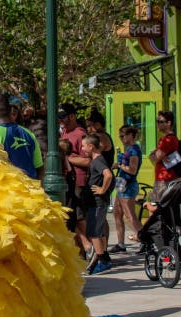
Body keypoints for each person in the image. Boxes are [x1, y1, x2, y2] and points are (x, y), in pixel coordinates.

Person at [0, 94, 44, 180]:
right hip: (31, 191)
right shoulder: (29, 134)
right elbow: (39, 167)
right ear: (9, 109)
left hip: (5, 192)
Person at [60, 103, 92, 258]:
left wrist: (67, 158)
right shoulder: (64, 132)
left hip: (79, 182)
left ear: (72, 116)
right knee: (70, 218)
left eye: (63, 117)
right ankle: (82, 251)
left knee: (79, 218)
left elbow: (88, 161)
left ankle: (92, 250)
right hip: (67, 181)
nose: (61, 120)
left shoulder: (80, 134)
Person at [81, 133, 114, 275]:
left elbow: (108, 175)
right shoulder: (95, 160)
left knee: (94, 232)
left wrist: (102, 189)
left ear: (91, 146)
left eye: (83, 146)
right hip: (94, 202)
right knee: (95, 232)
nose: (82, 149)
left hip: (98, 202)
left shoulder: (98, 160)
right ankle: (103, 258)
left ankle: (103, 261)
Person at [109, 125, 143, 253]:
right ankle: (121, 243)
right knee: (117, 213)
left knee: (130, 215)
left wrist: (120, 165)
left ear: (130, 135)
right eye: (120, 136)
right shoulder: (129, 149)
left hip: (129, 185)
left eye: (123, 136)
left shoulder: (134, 150)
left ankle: (145, 240)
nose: (121, 139)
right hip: (122, 185)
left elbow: (132, 170)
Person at [148, 110, 180, 201]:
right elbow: (156, 157)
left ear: (168, 123)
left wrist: (154, 154)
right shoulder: (166, 139)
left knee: (158, 208)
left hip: (165, 179)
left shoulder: (167, 140)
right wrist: (156, 154)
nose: (157, 124)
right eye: (157, 121)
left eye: (160, 122)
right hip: (165, 178)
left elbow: (155, 159)